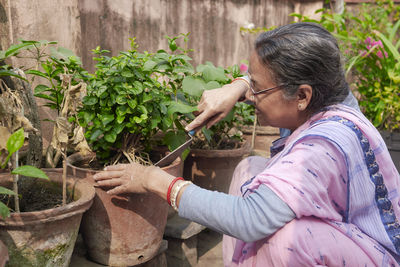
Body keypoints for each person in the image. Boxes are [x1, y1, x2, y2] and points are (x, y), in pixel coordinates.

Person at [93, 22, 400, 266]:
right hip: (348, 236)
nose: (250, 96)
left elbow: (250, 219)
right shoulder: (332, 98)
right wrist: (236, 87)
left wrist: (156, 181)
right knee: (249, 168)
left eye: (257, 87)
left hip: (377, 255)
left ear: (303, 96)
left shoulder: (321, 147)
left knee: (288, 240)